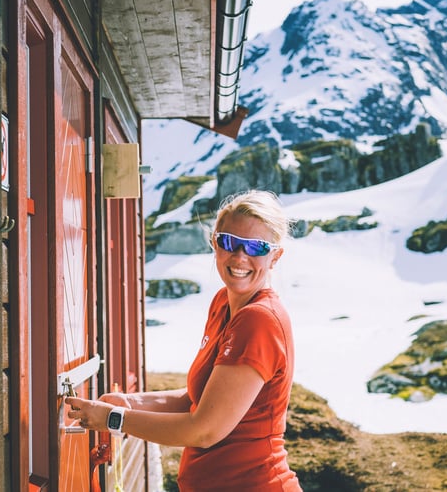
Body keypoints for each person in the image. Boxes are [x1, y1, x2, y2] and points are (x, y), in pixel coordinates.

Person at [67, 189, 302, 491]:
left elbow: (204, 430)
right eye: (228, 242)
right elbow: (201, 398)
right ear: (214, 243)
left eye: (256, 247)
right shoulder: (224, 303)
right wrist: (130, 402)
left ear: (275, 256)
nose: (239, 257)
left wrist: (114, 418)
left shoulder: (259, 320)